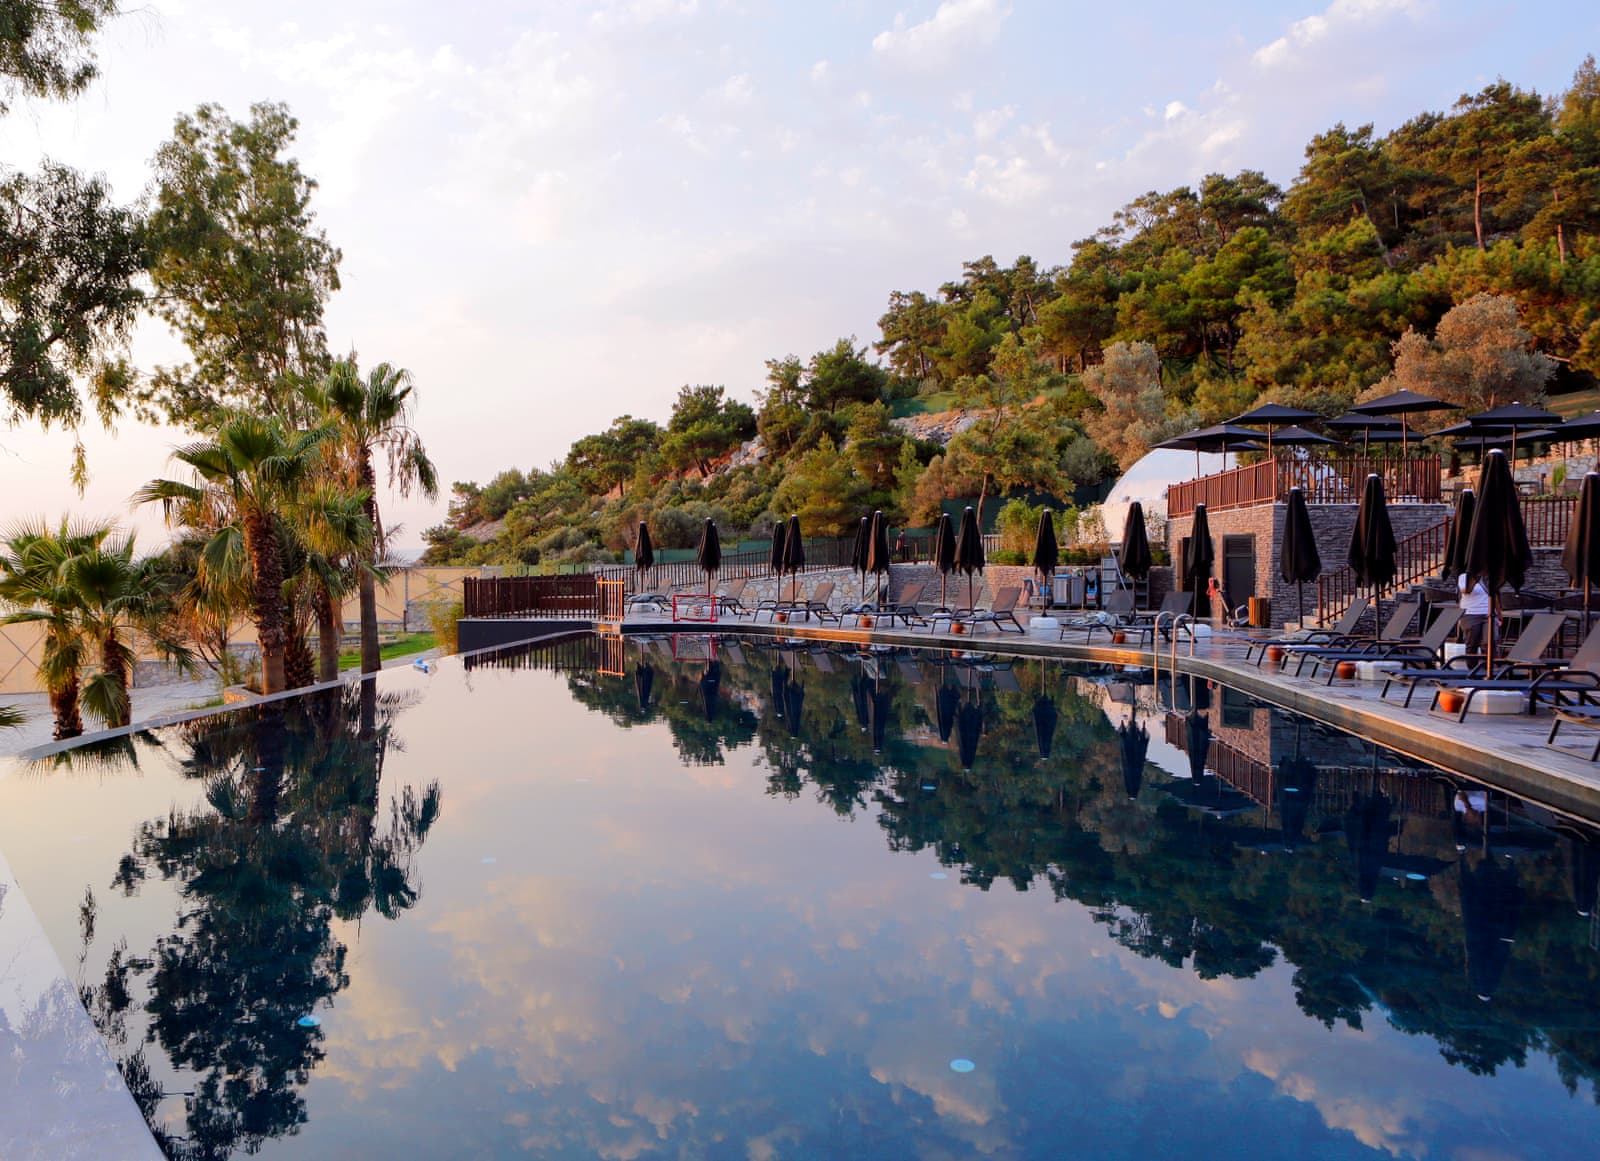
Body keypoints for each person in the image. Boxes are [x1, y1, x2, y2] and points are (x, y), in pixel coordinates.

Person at [1459, 572, 1492, 653]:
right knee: (1472, 644)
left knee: (1490, 643)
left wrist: (1498, 613)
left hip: (1488, 613)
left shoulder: (1489, 577)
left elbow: (1494, 595)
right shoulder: (1464, 576)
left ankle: (1490, 664)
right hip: (1471, 613)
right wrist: (1475, 580)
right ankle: (1472, 665)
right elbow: (1466, 591)